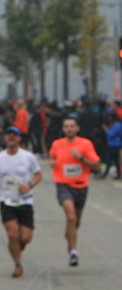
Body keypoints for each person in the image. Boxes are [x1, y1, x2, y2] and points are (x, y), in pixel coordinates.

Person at [0, 126, 42, 278]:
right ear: (5, 138)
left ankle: (16, 247)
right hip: (6, 201)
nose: (11, 137)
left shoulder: (28, 156)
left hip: (25, 200)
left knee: (25, 238)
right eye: (8, 134)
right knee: (12, 234)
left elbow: (38, 175)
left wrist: (29, 185)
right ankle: (18, 264)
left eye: (14, 135)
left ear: (19, 138)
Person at [47, 114, 100, 267]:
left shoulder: (85, 144)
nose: (69, 129)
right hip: (63, 185)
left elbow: (96, 166)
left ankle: (69, 235)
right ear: (63, 129)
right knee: (71, 217)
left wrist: (81, 158)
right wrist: (52, 162)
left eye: (72, 126)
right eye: (66, 127)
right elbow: (52, 157)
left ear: (77, 128)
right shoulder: (57, 144)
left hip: (81, 186)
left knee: (76, 221)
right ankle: (73, 252)